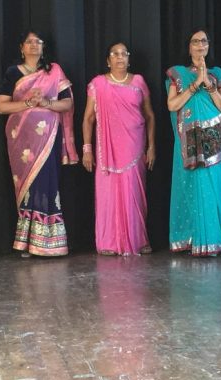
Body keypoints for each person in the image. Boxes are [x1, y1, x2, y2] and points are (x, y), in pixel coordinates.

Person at [0, 30, 78, 257]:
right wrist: (27, 104)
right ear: (21, 47)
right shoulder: (13, 73)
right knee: (28, 186)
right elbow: (2, 107)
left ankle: (50, 242)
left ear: (43, 47)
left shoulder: (54, 71)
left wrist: (45, 102)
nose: (33, 45)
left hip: (48, 138)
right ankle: (28, 243)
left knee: (48, 183)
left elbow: (67, 104)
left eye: (38, 42)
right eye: (29, 42)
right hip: (21, 141)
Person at [82, 42, 156, 256]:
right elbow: (88, 118)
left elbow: (150, 116)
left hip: (135, 147)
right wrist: (87, 149)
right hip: (107, 151)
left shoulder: (139, 82)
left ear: (129, 58)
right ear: (108, 60)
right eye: (115, 53)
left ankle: (138, 239)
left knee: (134, 193)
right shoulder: (97, 84)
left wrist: (152, 147)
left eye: (124, 53)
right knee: (108, 194)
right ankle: (108, 242)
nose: (120, 57)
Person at [165, 29, 221, 256]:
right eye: (195, 41)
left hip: (212, 143)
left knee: (211, 188)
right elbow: (172, 105)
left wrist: (208, 83)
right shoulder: (178, 73)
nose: (200, 45)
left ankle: (210, 242)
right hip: (186, 144)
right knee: (189, 189)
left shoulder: (217, 73)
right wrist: (195, 84)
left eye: (204, 41)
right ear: (189, 46)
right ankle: (189, 238)